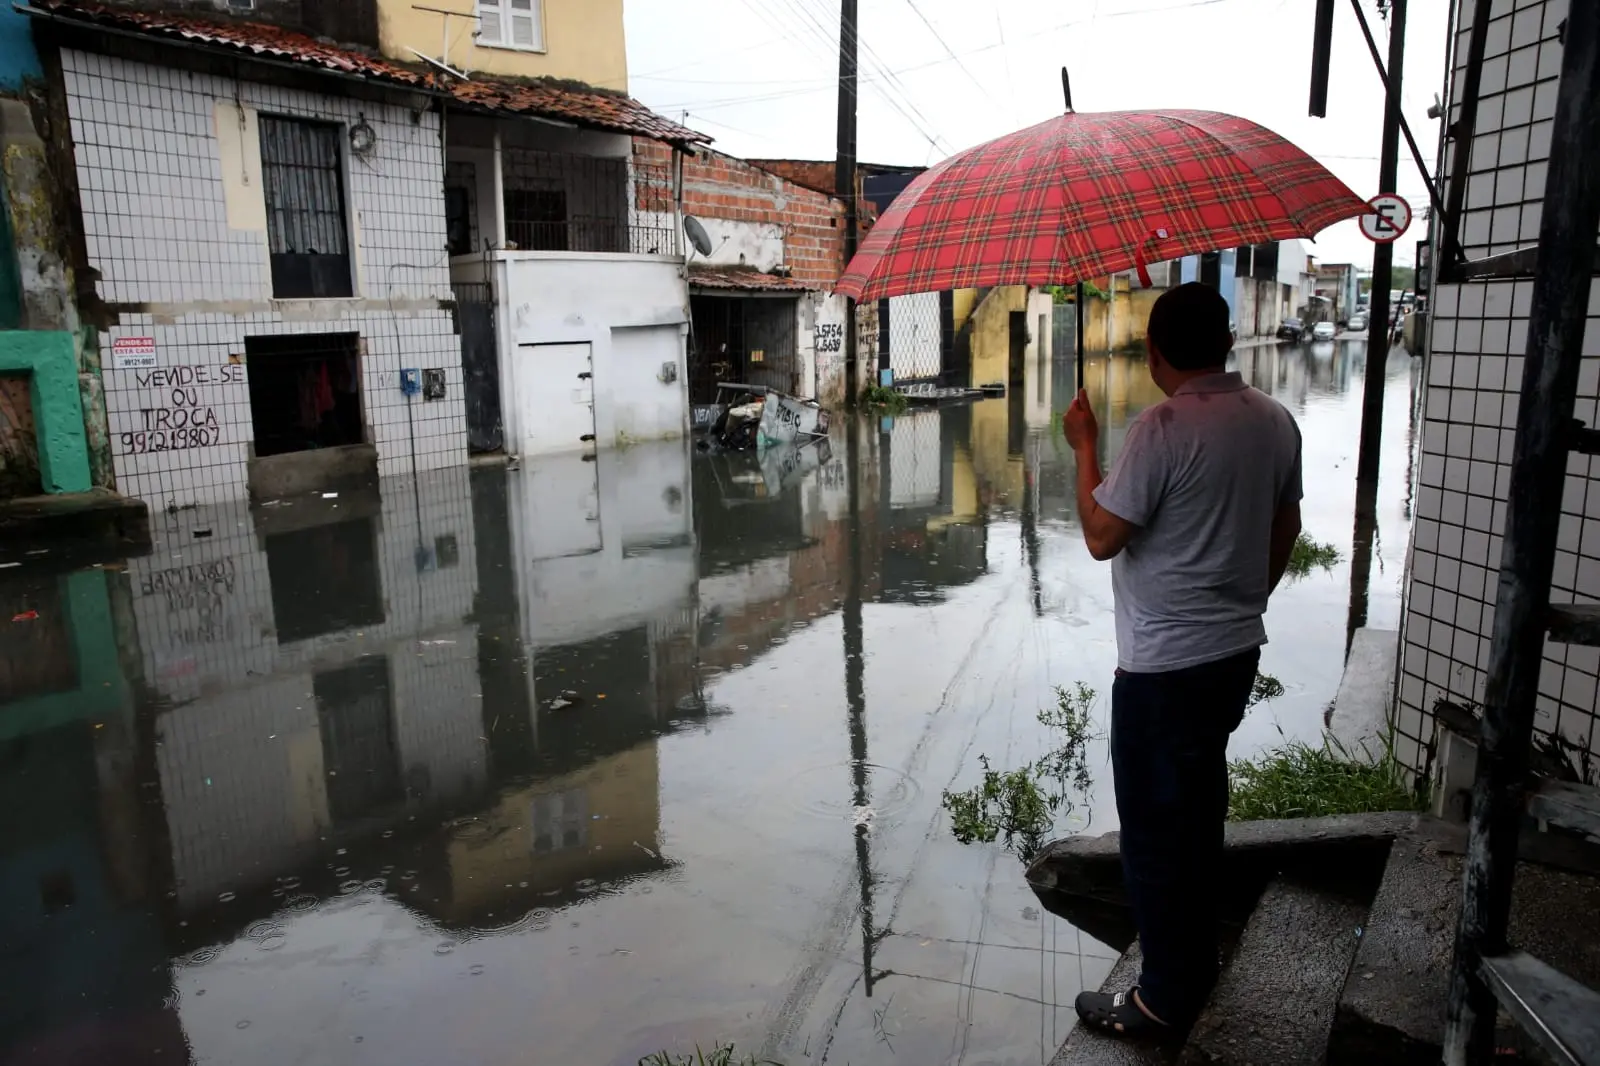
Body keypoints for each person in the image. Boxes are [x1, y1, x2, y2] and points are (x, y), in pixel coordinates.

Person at [1062, 282, 1303, 1040]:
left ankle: (1162, 1000)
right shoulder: (1275, 419)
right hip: (1233, 655)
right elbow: (1287, 520)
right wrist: (1246, 595)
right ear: (1229, 343)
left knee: (1157, 835)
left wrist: (1085, 447)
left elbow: (1104, 534)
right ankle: (1193, 962)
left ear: (1153, 352)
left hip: (1163, 669)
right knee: (1198, 813)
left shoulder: (1161, 427)